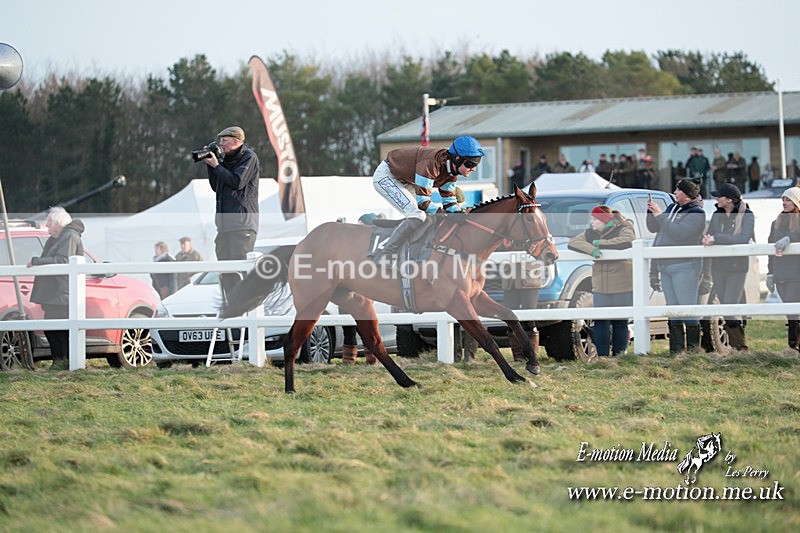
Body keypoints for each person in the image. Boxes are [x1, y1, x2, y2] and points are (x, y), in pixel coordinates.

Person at [370, 135, 483, 262]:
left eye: (476, 165)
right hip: (387, 177)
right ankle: (386, 255)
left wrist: (459, 213)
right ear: (457, 159)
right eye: (470, 164)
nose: (473, 169)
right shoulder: (431, 164)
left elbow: (450, 203)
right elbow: (423, 204)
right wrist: (445, 214)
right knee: (418, 214)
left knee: (426, 217)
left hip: (405, 180)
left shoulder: (451, 172)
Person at [647, 179, 706, 354]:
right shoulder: (672, 208)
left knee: (687, 307)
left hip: (685, 265)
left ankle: (693, 350)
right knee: (672, 308)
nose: (675, 192)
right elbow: (653, 228)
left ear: (686, 194)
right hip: (666, 266)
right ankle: (677, 351)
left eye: (678, 190)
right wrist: (650, 212)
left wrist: (660, 215)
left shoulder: (697, 213)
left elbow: (680, 233)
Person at [568, 206, 635, 357]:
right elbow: (573, 242)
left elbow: (627, 241)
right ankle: (603, 357)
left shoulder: (624, 227)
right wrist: (592, 250)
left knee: (620, 322)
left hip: (621, 282)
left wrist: (599, 243)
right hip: (600, 284)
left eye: (595, 219)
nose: (591, 222)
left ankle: (619, 355)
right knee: (601, 322)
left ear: (605, 220)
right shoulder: (590, 232)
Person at [204, 125, 260, 300]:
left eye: (224, 141)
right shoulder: (225, 160)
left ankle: (243, 308)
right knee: (225, 271)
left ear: (236, 141)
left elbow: (237, 182)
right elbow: (216, 186)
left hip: (242, 225)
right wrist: (212, 165)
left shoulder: (249, 157)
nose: (221, 144)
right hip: (224, 226)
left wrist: (217, 166)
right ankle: (231, 308)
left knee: (238, 270)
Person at [26, 206, 85, 370]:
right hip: (56, 293)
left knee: (57, 330)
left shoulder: (69, 236)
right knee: (54, 329)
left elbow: (63, 261)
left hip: (62, 292)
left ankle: (61, 361)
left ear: (59, 223)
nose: (46, 226)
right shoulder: (58, 238)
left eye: (49, 222)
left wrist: (37, 261)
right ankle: (61, 361)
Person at [702, 183, 755, 350]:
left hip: (737, 267)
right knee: (725, 307)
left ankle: (741, 347)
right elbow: (711, 233)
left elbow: (743, 238)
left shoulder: (747, 215)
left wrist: (717, 239)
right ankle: (735, 347)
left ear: (730, 200)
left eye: (719, 196)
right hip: (718, 266)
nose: (716, 199)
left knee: (730, 305)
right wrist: (707, 239)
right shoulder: (717, 215)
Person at [341, 214, 383, 364]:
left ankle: (372, 359)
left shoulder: (372, 246)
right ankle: (348, 361)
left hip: (362, 293)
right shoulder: (354, 244)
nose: (357, 226)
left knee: (364, 328)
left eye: (360, 224)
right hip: (347, 291)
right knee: (348, 329)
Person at [767, 187, 800, 353]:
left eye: (788, 200)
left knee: (795, 310)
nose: (784, 202)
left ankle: (794, 345)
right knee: (789, 311)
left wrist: (791, 239)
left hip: (796, 273)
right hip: (781, 273)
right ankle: (792, 345)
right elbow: (770, 250)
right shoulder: (776, 222)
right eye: (783, 199)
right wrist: (770, 273)